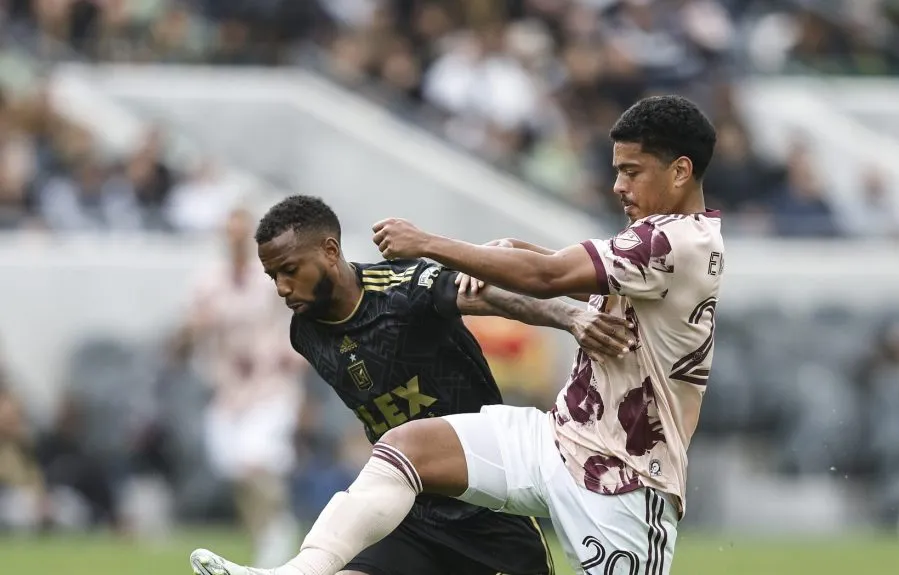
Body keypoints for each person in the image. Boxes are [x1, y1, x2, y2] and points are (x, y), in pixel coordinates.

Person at [191, 94, 722, 575]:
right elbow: (578, 282)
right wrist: (520, 251)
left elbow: (550, 278)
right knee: (405, 446)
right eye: (616, 171)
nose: (618, 186)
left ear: (680, 171)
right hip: (560, 440)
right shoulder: (652, 238)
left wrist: (427, 242)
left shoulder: (678, 242)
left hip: (625, 479)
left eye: (631, 172)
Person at [194, 194, 633, 575]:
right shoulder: (305, 332)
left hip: (489, 509)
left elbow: (490, 297)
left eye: (290, 270)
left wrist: (570, 316)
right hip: (411, 507)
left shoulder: (402, 288)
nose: (282, 287)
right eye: (273, 277)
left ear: (330, 251)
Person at [177, 208, 307, 567]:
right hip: (227, 390)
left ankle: (279, 531)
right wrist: (194, 328)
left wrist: (291, 357)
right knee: (232, 466)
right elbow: (184, 338)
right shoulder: (207, 283)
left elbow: (298, 320)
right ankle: (266, 534)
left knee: (256, 459)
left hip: (270, 385)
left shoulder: (272, 279)